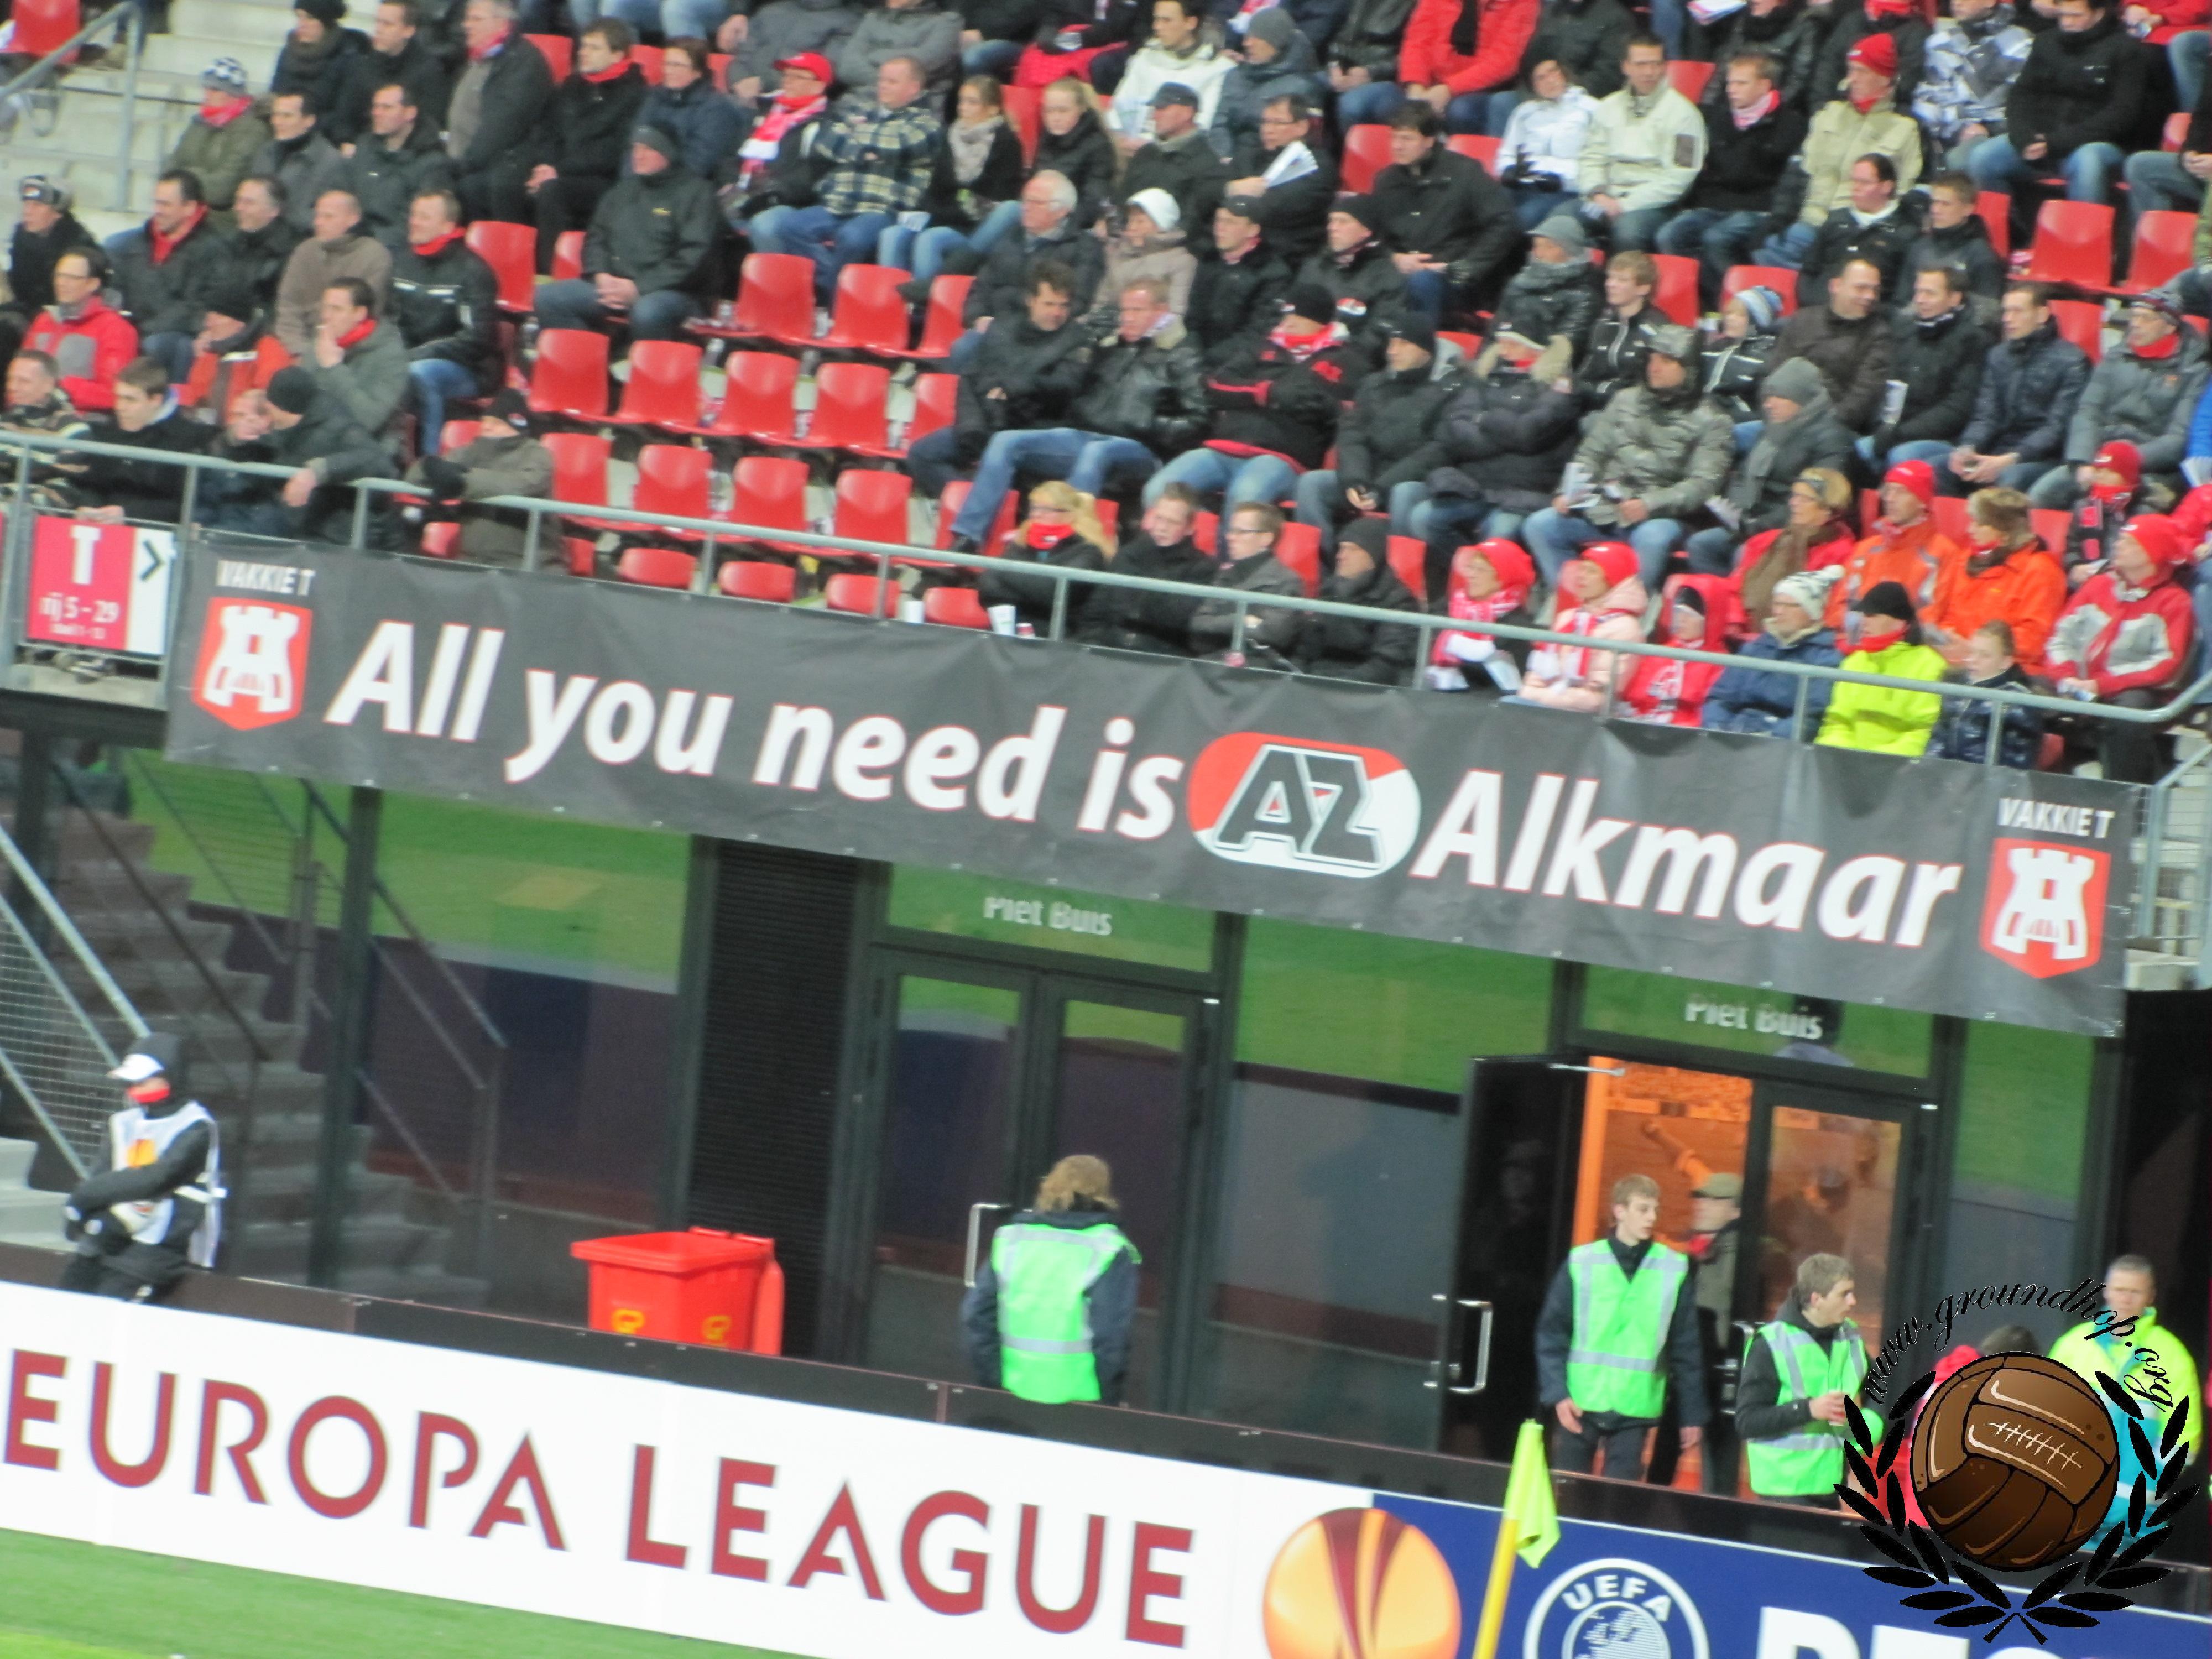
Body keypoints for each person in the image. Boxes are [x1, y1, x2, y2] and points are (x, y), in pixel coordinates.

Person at [945, 279, 1206, 550]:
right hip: (1085, 434)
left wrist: (1148, 423)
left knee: (1096, 453)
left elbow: (1197, 421)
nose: (1128, 318)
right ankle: (968, 537)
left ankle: (1059, 546)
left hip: (1140, 449)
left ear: (1161, 311)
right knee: (1006, 441)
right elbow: (1075, 389)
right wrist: (1093, 350)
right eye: (1125, 310)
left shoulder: (1182, 353)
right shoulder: (1110, 345)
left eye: (1137, 311)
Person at [1535, 1173, 1708, 1480]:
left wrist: (1691, 1415)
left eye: (1655, 1210)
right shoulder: (1583, 1262)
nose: (1652, 1218)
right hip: (1580, 1402)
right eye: (1643, 1209)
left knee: (1619, 1499)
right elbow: (1552, 1334)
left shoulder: (1673, 1268)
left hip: (1635, 1406)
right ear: (1619, 1211)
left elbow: (1686, 1347)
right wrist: (1558, 1394)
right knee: (1568, 1493)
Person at [1532, 325, 1730, 588]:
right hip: (1605, 506)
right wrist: (1569, 491)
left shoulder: (1713, 420)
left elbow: (1703, 484)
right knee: (1541, 524)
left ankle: (1632, 605)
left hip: (1661, 517)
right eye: (1652, 359)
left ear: (1689, 369)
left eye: (1666, 361)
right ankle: (1572, 600)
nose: (1654, 367)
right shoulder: (1624, 400)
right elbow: (1592, 453)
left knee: (1652, 538)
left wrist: (1650, 503)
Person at [1145, 281, 1363, 509]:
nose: (1288, 322)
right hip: (1224, 447)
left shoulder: (1346, 360)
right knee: (1158, 491)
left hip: (1282, 458)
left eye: (1297, 316)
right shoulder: (1262, 348)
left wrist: (1324, 405)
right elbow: (1215, 384)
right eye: (1286, 315)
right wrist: (1266, 393)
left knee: (1244, 498)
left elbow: (1346, 414)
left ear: (1319, 321)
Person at [2049, 1253, 2205, 1540]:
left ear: (2151, 1297)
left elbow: (2184, 1433)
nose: (2126, 1299)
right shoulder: (2073, 1346)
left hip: (2138, 1516)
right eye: (2120, 1290)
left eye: (2135, 1292)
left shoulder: (2172, 1354)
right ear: (2106, 1291)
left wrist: (2152, 1479)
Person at [961, 1155, 1139, 1405]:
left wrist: (993, 1380)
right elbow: (1111, 1335)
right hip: (1082, 1396)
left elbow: (977, 1315)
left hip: (1012, 1388)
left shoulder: (1012, 1238)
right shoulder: (1110, 1247)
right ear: (1102, 1192)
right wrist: (1108, 1397)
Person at [58, 1035, 222, 1303]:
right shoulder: (123, 1122)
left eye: (142, 1081)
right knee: (68, 1298)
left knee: (110, 1308)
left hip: (155, 1250)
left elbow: (156, 1179)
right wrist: (92, 1217)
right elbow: (103, 1172)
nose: (133, 1088)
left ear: (170, 1077)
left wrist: (83, 1197)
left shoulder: (196, 1127)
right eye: (130, 1082)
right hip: (106, 1238)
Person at [906, 262, 1088, 500]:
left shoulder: (1076, 339)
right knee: (922, 454)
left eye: (1063, 306)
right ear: (1031, 300)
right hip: (986, 423)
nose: (1057, 313)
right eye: (1049, 304)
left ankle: (982, 505)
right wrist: (971, 427)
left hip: (1033, 431)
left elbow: (1066, 385)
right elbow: (971, 379)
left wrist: (1015, 387)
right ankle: (970, 502)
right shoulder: (1002, 328)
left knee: (1004, 455)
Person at [769, 56, 942, 303]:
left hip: (883, 208)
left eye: (892, 82)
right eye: (882, 80)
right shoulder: (860, 110)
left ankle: (833, 306)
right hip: (838, 202)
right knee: (790, 227)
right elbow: (826, 142)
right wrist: (869, 151)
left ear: (913, 88)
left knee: (852, 238)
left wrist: (854, 136)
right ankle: (836, 289)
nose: (883, 86)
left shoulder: (927, 123)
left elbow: (898, 146)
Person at [1970, 0, 2146, 235]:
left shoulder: (2126, 50)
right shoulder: (2046, 42)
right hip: (2041, 138)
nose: (2067, 23)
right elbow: (2021, 94)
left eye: (2076, 16)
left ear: (2099, 14)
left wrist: (2056, 142)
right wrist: (2023, 136)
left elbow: (2122, 114)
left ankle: (2082, 242)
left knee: (2088, 162)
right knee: (1982, 158)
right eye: (2063, 15)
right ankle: (2007, 235)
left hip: (2094, 143)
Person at [2046, 514, 2197, 780]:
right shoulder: (2098, 585)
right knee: (2016, 691)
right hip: (2075, 680)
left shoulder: (2175, 602)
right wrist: (2066, 676)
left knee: (2127, 713)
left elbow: (2165, 665)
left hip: (2130, 691)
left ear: (2152, 554)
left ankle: (2126, 794)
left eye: (2128, 542)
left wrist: (2101, 685)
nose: (2117, 545)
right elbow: (2060, 635)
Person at [535, 127, 721, 342]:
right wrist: (601, 275)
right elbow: (596, 238)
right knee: (548, 298)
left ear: (668, 154)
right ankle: (589, 360)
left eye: (648, 149)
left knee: (647, 312)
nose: (638, 156)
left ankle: (648, 364)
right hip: (614, 285)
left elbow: (694, 256)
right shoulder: (621, 191)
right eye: (635, 148)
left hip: (675, 293)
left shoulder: (698, 194)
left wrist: (639, 288)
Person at [1418, 330, 1579, 578]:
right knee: (1423, 518)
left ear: (1537, 349)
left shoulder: (1559, 387)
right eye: (1501, 344)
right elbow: (1454, 428)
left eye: (1513, 345)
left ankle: (1500, 590)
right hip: (1474, 486)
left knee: (1500, 531)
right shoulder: (1482, 380)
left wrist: (1484, 419)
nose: (1503, 351)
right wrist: (1507, 435)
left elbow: (1528, 433)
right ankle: (1467, 581)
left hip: (1525, 491)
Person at [1757, 36, 1921, 270]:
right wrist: (1780, 218)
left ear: (1884, 78)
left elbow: (1901, 193)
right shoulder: (1829, 114)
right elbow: (1799, 173)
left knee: (1773, 259)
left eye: (1862, 71)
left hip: (1852, 230)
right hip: (1808, 221)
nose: (1852, 78)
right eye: (1851, 70)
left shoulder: (1904, 129)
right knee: (1767, 248)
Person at [1657, 50, 1806, 305]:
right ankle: (1699, 302)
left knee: (1717, 239)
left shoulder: (1791, 124)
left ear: (1764, 85)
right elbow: (1689, 161)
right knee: (1669, 235)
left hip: (1758, 208)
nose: (1731, 90)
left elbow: (1788, 181)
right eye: (1730, 83)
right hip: (1712, 204)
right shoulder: (1714, 118)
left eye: (1741, 83)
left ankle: (1738, 305)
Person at [1295, 314, 1458, 537]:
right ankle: (1321, 554)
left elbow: (1436, 452)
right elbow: (1352, 434)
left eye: (1404, 344)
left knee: (1404, 493)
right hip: (1366, 478)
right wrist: (1356, 480)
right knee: (1312, 483)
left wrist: (1382, 487)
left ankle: (1400, 558)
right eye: (1391, 343)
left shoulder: (1451, 392)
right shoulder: (1373, 384)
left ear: (1425, 351)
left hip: (1413, 483)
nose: (1393, 351)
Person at [1686, 359, 1853, 577]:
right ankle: (1721, 595)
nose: (1768, 404)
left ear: (1801, 399)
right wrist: (1734, 512)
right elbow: (1743, 475)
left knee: (1745, 553)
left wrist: (1758, 526)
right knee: (1701, 544)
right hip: (1752, 523)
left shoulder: (1832, 439)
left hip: (1795, 529)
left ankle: (1743, 596)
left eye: (1779, 397)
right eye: (1767, 397)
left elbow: (1820, 498)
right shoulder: (1773, 429)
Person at [2047, 291, 2209, 510]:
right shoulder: (2116, 356)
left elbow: (2178, 438)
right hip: (2098, 458)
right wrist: (2083, 460)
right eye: (2134, 316)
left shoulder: (2194, 371)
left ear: (2170, 327)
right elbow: (2087, 412)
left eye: (2146, 318)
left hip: (2149, 467)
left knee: (2142, 513)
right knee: (2043, 495)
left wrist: (2122, 462)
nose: (2135, 324)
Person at [1736, 1254, 1872, 1508]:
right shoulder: (1771, 1342)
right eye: (1844, 1294)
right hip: (1783, 1490)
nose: (1853, 1301)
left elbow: (1879, 1391)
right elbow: (1747, 1421)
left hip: (1830, 1486)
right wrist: (1809, 1409)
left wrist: (1868, 1428)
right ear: (1816, 1299)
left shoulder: (1850, 1336)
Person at [202, 367, 392, 544]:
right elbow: (250, 461)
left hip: (337, 534)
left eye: (271, 406)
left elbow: (378, 460)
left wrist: (318, 472)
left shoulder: (338, 425)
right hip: (292, 522)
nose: (268, 408)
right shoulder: (281, 427)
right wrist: (237, 439)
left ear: (284, 409)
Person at [1369, 103, 1519, 319]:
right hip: (1399, 271)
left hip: (1453, 279)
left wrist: (1465, 267)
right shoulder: (1385, 180)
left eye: (1407, 139)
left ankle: (1420, 339)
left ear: (1429, 140)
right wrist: (1395, 258)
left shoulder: (1465, 173)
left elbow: (1504, 222)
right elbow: (1372, 234)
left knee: (1421, 282)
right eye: (1394, 138)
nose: (1397, 146)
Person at [524, 22, 651, 272]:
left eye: (594, 48)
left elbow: (613, 150)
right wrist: (545, 164)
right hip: (558, 171)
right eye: (583, 46)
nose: (583, 53)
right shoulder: (572, 85)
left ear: (617, 55)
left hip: (602, 180)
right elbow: (548, 131)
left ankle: (550, 271)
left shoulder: (635, 94)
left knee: (552, 192)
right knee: (504, 183)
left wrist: (558, 170)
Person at [1948, 281, 2091, 498]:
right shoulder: (1998, 355)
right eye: (2006, 311)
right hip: (1995, 451)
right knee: (1940, 468)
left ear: (2042, 315)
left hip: (2043, 458)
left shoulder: (2073, 361)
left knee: (2009, 478)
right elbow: (1985, 416)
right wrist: (1968, 447)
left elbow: (2056, 429)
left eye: (2017, 311)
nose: (2007, 319)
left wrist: (2008, 459)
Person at [883, 74, 1025, 287]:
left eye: (972, 102)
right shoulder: (951, 135)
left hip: (974, 228)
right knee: (892, 235)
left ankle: (926, 302)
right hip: (944, 216)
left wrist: (945, 210)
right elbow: (936, 189)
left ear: (993, 109)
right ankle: (890, 301)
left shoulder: (1006, 144)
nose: (963, 108)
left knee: (931, 239)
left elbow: (994, 203)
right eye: (962, 101)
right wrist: (922, 211)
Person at [385, 189, 497, 458]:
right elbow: (389, 318)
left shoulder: (473, 271)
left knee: (420, 373)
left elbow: (477, 339)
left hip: (466, 368)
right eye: (413, 215)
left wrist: (417, 355)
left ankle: (429, 460)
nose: (414, 222)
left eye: (424, 217)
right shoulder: (401, 263)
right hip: (405, 356)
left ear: (448, 226)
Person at [1572, 34, 1703, 252]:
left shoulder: (1686, 115)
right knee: (1562, 222)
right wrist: (1597, 194)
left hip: (1654, 205)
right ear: (1626, 67)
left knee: (1627, 232)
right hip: (1604, 197)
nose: (1649, 72)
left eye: (1656, 64)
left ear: (1665, 67)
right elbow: (1591, 157)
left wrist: (1625, 205)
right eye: (1641, 64)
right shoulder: (1608, 106)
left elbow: (1681, 174)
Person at [107, 171, 231, 387]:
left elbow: (195, 308)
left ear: (190, 208)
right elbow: (116, 289)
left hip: (176, 335)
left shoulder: (213, 251)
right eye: (156, 203)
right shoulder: (132, 244)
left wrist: (141, 330)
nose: (157, 211)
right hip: (137, 326)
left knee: (158, 345)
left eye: (165, 205)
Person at [1924, 483, 2067, 671]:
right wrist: (1942, 637)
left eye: (1980, 524)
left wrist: (1975, 649)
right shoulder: (1962, 559)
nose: (1970, 530)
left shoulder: (2041, 572)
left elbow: (2033, 641)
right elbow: (1935, 611)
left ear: (2005, 532)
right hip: (1948, 658)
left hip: (2004, 670)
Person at [405, 388, 554, 563]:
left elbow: (521, 484)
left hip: (529, 563)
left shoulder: (536, 454)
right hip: (472, 560)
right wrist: (429, 466)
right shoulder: (471, 451)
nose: (487, 427)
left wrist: (462, 482)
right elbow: (414, 478)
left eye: (497, 423)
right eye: (485, 421)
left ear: (517, 426)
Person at [446, 0, 556, 225]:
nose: (467, 25)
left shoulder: (523, 62)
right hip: (463, 161)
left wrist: (462, 166)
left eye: (476, 19)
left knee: (470, 189)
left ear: (502, 23)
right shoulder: (476, 59)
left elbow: (502, 127)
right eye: (467, 18)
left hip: (498, 166)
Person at [1874, 265, 1991, 473]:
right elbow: (1890, 386)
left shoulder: (1973, 341)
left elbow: (1958, 408)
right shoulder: (1906, 331)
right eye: (1918, 292)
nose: (1920, 300)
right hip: (1898, 431)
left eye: (1930, 293)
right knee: (1860, 449)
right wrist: (1883, 426)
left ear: (1954, 298)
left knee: (1901, 457)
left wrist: (1901, 434)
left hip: (1945, 439)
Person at [1702, 566, 1844, 737]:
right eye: (1777, 604)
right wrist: (1717, 729)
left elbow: (1810, 717)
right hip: (1733, 735)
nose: (1779, 612)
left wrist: (1769, 738)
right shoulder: (1755, 648)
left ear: (1812, 612)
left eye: (1790, 606)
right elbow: (1720, 698)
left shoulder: (1825, 659)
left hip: (1777, 744)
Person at [68, 358, 211, 525]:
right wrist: (89, 507)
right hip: (103, 527)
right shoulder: (110, 429)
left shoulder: (189, 439)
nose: (120, 407)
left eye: (130, 400)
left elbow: (187, 505)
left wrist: (128, 515)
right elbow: (94, 482)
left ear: (155, 400)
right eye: (118, 397)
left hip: (155, 533)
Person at [1078, 484, 1217, 653]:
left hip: (1161, 660)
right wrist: (1092, 644)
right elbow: (1095, 611)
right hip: (1107, 650)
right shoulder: (1129, 554)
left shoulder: (1203, 569)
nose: (1162, 528)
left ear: (1189, 528)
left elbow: (1177, 620)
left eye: (1172, 522)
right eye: (1159, 518)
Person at [1723, 466, 1858, 638]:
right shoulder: (1763, 541)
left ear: (1828, 509)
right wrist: (1735, 623)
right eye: (1794, 496)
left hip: (1798, 639)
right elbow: (1734, 587)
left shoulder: (1841, 553)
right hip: (1743, 634)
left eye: (1805, 499)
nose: (1793, 503)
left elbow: (1823, 611)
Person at [1817, 580, 1948, 752]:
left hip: (1899, 765)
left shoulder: (1929, 665)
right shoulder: (1854, 661)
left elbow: (1923, 731)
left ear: (1900, 621)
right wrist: (1844, 754)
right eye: (1864, 615)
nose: (1864, 622)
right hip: (1846, 760)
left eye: (1872, 615)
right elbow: (1837, 721)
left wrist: (1879, 760)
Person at [1766, 257, 1893, 434]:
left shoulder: (1879, 335)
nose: (1870, 296)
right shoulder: (1803, 320)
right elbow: (1773, 376)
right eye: (1861, 288)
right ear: (1836, 286)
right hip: (1781, 421)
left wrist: (1809, 425)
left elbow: (1861, 400)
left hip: (1831, 431)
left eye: (1875, 290)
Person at [1518, 540, 1648, 709]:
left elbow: (1599, 698)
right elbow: (1537, 675)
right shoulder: (1567, 618)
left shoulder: (1626, 629)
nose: (1581, 576)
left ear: (1614, 579)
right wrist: (1531, 693)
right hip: (1547, 703)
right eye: (1582, 569)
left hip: (1585, 716)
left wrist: (1536, 697)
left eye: (1591, 571)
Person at [1379, 0, 1541, 136]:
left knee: (1461, 111)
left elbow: (1505, 61)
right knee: (1377, 100)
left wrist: (1449, 89)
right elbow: (1417, 42)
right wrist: (1416, 86)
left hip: (1484, 89)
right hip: (1430, 86)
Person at [1214, 91, 1337, 269]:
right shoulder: (1249, 157)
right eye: (1265, 122)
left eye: (1278, 123)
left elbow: (1278, 207)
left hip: (1286, 257)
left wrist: (1237, 200)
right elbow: (1209, 192)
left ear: (1302, 127)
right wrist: (1231, 188)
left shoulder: (1316, 165)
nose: (1268, 129)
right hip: (1236, 251)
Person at [1830, 459, 1954, 632]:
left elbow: (1933, 614)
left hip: (1907, 644)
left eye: (1901, 492)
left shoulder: (1943, 553)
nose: (1890, 499)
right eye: (1888, 491)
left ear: (1922, 501)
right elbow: (1837, 608)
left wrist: (1889, 633)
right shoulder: (1865, 549)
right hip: (1854, 641)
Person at [725, 52, 836, 242]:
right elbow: (733, 153)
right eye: (786, 75)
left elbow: (814, 174)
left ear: (819, 86)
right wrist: (729, 182)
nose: (788, 81)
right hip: (745, 193)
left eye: (797, 77)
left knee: (765, 225)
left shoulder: (828, 123)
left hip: (792, 203)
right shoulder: (764, 111)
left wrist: (771, 192)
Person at [1293, 518, 1423, 680]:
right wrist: (1295, 673)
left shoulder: (1399, 600)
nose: (1341, 556)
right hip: (1316, 679)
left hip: (1363, 687)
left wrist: (1337, 683)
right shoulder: (1329, 589)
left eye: (1352, 550)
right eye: (1341, 549)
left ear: (1373, 557)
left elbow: (1386, 663)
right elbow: (1305, 650)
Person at [980, 480, 1115, 632]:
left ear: (1069, 514)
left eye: (1046, 509)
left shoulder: (1089, 551)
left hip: (1062, 634)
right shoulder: (1022, 542)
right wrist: (1035, 590)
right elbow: (988, 588)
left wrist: (1004, 571)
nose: (1036, 514)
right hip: (1013, 627)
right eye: (1034, 508)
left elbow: (1054, 593)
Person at [274, 189, 394, 359]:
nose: (318, 223)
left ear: (353, 219)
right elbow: (288, 307)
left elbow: (366, 316)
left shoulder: (374, 256)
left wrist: (324, 355)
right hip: (299, 349)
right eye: (317, 216)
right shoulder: (305, 251)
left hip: (354, 351)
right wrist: (299, 350)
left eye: (328, 217)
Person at [1682, 1167, 1744, 1494]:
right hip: (1700, 1368)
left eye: (1714, 1200)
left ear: (1735, 1211)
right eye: (1701, 1198)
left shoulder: (1736, 1257)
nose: (1702, 1205)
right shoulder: (1704, 1250)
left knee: (1719, 1462)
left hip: (1719, 1370)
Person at [1914, 0, 2032, 170]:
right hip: (1945, 131)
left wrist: (1989, 129)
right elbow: (1929, 96)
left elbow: (2025, 103)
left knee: (1962, 160)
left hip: (1998, 133)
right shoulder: (1939, 43)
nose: (1957, 3)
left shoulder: (2020, 43)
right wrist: (1957, 128)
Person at [340, 80, 457, 248]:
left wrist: (369, 240)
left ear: (410, 113)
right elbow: (343, 193)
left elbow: (422, 222)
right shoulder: (365, 148)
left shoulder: (433, 163)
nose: (377, 113)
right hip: (354, 238)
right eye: (375, 107)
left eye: (387, 108)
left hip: (396, 248)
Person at [1188, 500, 1307, 664]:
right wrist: (1242, 620)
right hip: (1210, 662)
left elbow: (1274, 634)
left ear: (1266, 539)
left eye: (1241, 532)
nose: (1230, 537)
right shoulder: (1225, 575)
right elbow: (1199, 624)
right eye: (1231, 530)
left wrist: (1222, 623)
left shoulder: (1288, 581)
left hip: (1257, 670)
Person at [25, 249, 139, 414]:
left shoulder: (114, 327)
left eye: (72, 278)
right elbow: (20, 374)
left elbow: (115, 393)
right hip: (32, 414)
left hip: (82, 418)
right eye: (59, 275)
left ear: (93, 284)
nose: (61, 283)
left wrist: (63, 388)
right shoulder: (44, 320)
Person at [1492, 58, 1600, 229]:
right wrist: (1509, 170)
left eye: (1553, 72)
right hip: (1527, 183)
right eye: (1541, 78)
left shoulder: (1591, 109)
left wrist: (1563, 180)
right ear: (1534, 86)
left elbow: (1598, 162)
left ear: (1564, 74)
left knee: (1523, 218)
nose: (1550, 80)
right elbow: (1508, 153)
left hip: (1567, 189)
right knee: (1489, 208)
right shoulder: (1525, 111)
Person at [1796, 154, 1917, 306]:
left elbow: (1902, 291)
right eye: (1854, 181)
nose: (1856, 188)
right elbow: (1809, 270)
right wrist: (1811, 302)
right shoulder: (1835, 220)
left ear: (1887, 187)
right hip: (1820, 308)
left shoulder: (1905, 233)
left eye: (1864, 183)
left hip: (1871, 314)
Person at [1187, 197, 1293, 367]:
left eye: (1230, 222)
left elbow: (1259, 333)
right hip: (1198, 355)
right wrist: (1191, 349)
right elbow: (1193, 317)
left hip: (1239, 364)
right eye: (1219, 220)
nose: (1220, 228)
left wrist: (1209, 358)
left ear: (1253, 230)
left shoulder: (1272, 273)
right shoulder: (1209, 260)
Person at [305, 275, 410, 444]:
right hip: (317, 439)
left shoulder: (390, 355)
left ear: (360, 314)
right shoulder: (323, 342)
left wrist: (333, 368)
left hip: (369, 447)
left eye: (336, 309)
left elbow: (367, 420)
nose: (326, 316)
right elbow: (298, 399)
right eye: (325, 308)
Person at [1927, 619, 2048, 766]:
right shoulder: (1955, 687)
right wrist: (1930, 767)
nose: (1973, 660)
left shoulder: (2019, 703)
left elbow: (2016, 762)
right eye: (1972, 652)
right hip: (1947, 772)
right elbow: (1938, 738)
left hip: (1984, 776)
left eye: (1985, 655)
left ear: (2006, 662)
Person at [1425, 537, 1536, 691]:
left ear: (1503, 578)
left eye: (1481, 570)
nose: (1471, 575)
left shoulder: (1516, 624)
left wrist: (1456, 645)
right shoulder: (1452, 604)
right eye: (1471, 567)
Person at [1112, 0, 1234, 139]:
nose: (1157, 27)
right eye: (1156, 19)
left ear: (1190, 23)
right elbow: (1119, 108)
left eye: (1166, 20)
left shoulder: (1218, 69)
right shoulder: (1143, 58)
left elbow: (1204, 124)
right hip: (1130, 143)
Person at [333, 1, 453, 142]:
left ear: (408, 31)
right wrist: (346, 142)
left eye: (387, 24)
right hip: (362, 146)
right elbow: (344, 118)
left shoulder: (428, 71)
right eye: (378, 22)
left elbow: (430, 124)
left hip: (406, 150)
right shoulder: (362, 65)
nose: (378, 30)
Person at [1212, 17, 1322, 168]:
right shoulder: (1235, 76)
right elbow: (1220, 124)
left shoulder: (1303, 85)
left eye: (1257, 38)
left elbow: (1308, 140)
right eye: (1247, 37)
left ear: (1276, 43)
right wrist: (1226, 157)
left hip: (1271, 162)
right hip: (1227, 161)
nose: (1247, 44)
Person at [169, 59, 274, 215]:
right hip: (187, 213)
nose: (207, 95)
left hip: (224, 218)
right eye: (206, 88)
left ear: (234, 95)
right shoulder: (199, 122)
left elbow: (221, 191)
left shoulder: (252, 130)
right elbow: (169, 171)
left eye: (216, 90)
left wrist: (186, 176)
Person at [1621, 576, 1733, 723]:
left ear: (1711, 619)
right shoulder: (1661, 654)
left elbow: (1707, 716)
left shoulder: (1720, 666)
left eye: (1690, 614)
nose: (1681, 619)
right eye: (1679, 611)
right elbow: (1635, 698)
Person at [636, 39, 745, 187]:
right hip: (642, 185)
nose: (668, 71)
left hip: (685, 189)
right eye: (667, 64)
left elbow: (698, 163)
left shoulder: (716, 109)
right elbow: (634, 146)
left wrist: (657, 186)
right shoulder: (653, 98)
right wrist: (631, 185)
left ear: (698, 72)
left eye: (677, 65)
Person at [1488, 215, 1601, 358]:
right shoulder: (1519, 283)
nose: (1539, 254)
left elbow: (1563, 349)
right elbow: (1494, 334)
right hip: (1505, 360)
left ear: (1571, 252)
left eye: (1549, 247)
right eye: (1537, 246)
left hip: (1547, 366)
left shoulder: (1585, 294)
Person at [1119, 84, 1231, 229]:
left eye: (1162, 108)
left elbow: (1194, 222)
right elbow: (1121, 201)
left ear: (1187, 113)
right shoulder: (1145, 153)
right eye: (1154, 110)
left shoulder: (1208, 164)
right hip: (1129, 235)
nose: (1154, 117)